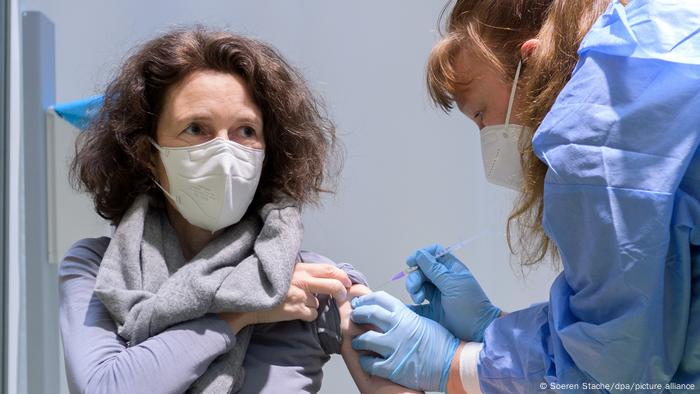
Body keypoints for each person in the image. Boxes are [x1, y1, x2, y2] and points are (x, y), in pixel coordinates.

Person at [349, 0, 700, 393]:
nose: (485, 135)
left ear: (530, 62)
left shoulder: (592, 131)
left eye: (480, 113)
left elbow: (617, 372)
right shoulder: (658, 37)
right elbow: (648, 316)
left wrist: (456, 364)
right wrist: (493, 327)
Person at [59, 27, 418, 394]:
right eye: (196, 128)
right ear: (149, 154)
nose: (225, 154)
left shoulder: (311, 281)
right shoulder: (98, 269)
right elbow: (106, 387)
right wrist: (243, 310)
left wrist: (439, 354)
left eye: (245, 131)